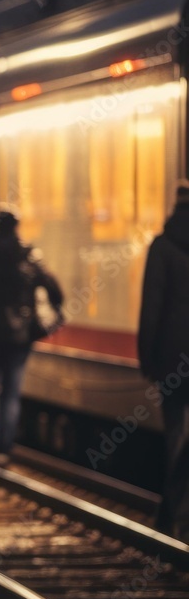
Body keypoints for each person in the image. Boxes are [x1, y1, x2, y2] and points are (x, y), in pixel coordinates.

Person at [0, 206, 63, 465]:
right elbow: (56, 292)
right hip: (19, 338)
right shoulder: (29, 260)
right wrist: (49, 317)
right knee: (11, 393)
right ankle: (5, 446)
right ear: (17, 228)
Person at [137, 179, 189, 541]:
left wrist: (147, 359)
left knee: (177, 435)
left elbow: (151, 308)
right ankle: (173, 512)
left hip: (173, 360)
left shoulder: (162, 246)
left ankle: (175, 515)